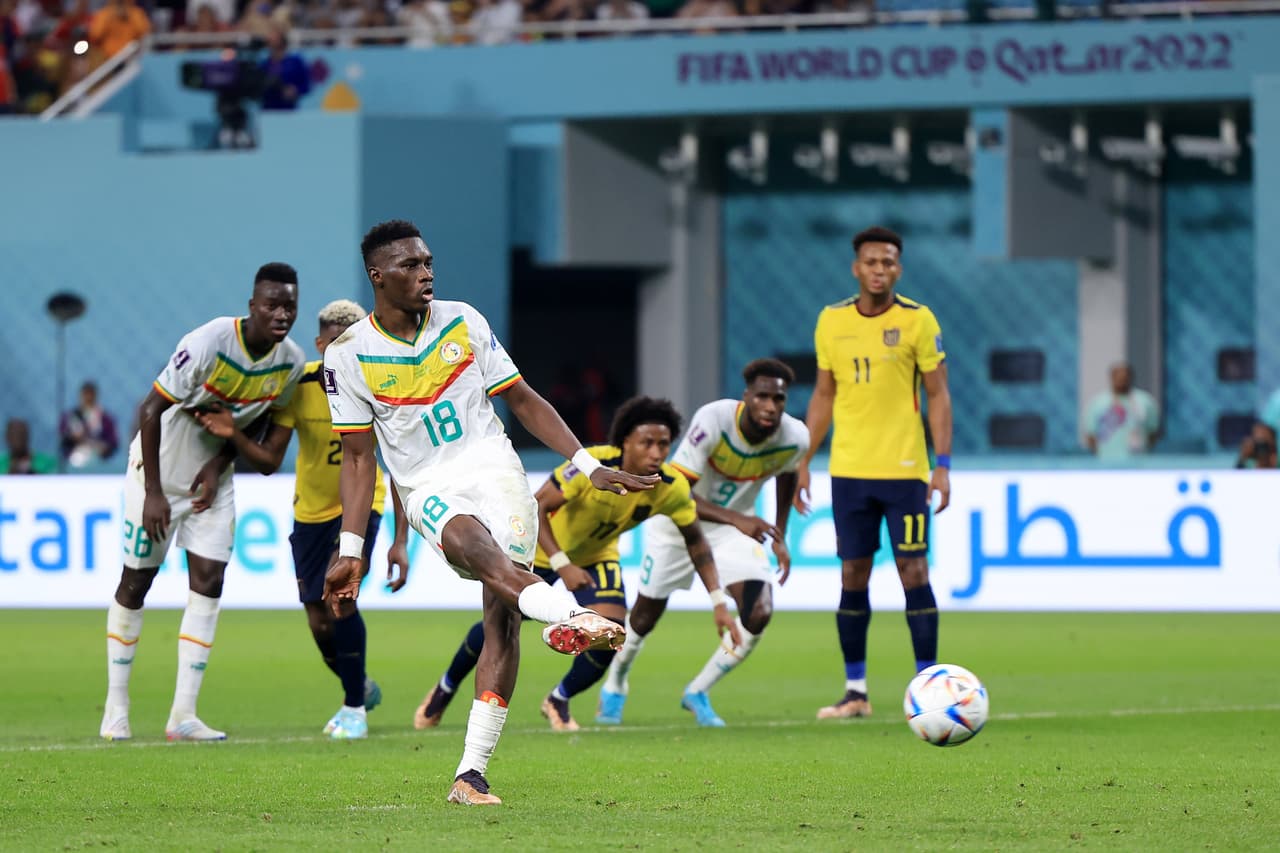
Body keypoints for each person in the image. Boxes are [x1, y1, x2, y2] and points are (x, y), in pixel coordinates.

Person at [322, 220, 657, 806]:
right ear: (378, 276)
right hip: (427, 484)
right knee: (477, 552)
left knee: (502, 618)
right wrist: (352, 550)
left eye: (429, 261)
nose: (426, 272)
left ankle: (470, 775)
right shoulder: (348, 355)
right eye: (410, 265)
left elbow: (522, 398)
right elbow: (357, 459)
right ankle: (572, 615)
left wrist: (584, 462)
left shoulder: (463, 320)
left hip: (496, 470)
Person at [413, 396, 739, 733]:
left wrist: (718, 601)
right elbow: (538, 505)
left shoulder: (670, 487)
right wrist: (562, 563)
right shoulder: (592, 465)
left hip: (597, 555)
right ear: (625, 441)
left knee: (611, 633)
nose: (657, 453)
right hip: (540, 550)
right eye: (647, 443)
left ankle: (558, 698)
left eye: (664, 444)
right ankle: (445, 688)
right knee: (499, 627)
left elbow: (697, 542)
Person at [101, 263, 305, 743]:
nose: (281, 314)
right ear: (252, 305)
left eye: (289, 306)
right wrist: (153, 491)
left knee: (210, 581)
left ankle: (183, 715)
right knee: (136, 582)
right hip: (156, 477)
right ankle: (116, 708)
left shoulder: (290, 363)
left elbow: (254, 430)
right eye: (272, 304)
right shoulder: (211, 341)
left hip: (212, 484)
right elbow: (149, 409)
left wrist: (217, 467)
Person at [191, 299, 409, 740]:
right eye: (334, 344)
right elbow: (270, 459)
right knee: (317, 618)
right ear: (319, 343)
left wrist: (400, 540)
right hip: (310, 513)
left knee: (341, 599)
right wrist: (232, 434)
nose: (343, 354)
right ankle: (358, 684)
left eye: (351, 344)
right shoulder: (300, 385)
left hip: (362, 506)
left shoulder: (384, 386)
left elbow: (403, 466)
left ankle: (353, 710)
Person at [794, 225, 952, 720]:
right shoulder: (831, 321)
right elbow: (823, 395)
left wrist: (941, 465)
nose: (879, 270)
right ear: (856, 267)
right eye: (871, 262)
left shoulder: (918, 321)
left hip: (906, 471)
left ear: (898, 269)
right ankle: (855, 692)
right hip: (849, 471)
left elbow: (938, 394)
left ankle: (928, 685)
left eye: (888, 262)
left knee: (914, 571)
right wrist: (802, 459)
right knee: (852, 574)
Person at [597, 359, 806, 727]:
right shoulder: (714, 420)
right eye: (762, 397)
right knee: (644, 618)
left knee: (759, 612)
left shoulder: (795, 437)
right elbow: (679, 493)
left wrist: (781, 535)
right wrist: (739, 518)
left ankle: (698, 691)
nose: (770, 406)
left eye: (778, 398)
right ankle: (615, 684)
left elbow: (788, 475)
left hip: (729, 533)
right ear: (746, 398)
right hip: (677, 522)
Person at [1084, 363, 1160, 461]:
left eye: (1125, 377)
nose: (1121, 380)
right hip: (1107, 460)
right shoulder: (1098, 403)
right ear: (1111, 377)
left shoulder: (1145, 401)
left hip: (1138, 460)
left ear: (1131, 378)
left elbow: (1153, 432)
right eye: (1118, 377)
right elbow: (1090, 435)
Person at [60, 381, 120, 468]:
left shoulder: (105, 419)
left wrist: (103, 446)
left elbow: (113, 442)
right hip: (75, 458)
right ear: (81, 396)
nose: (88, 398)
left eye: (91, 395)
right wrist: (74, 437)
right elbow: (64, 440)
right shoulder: (71, 417)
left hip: (100, 460)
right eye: (85, 395)